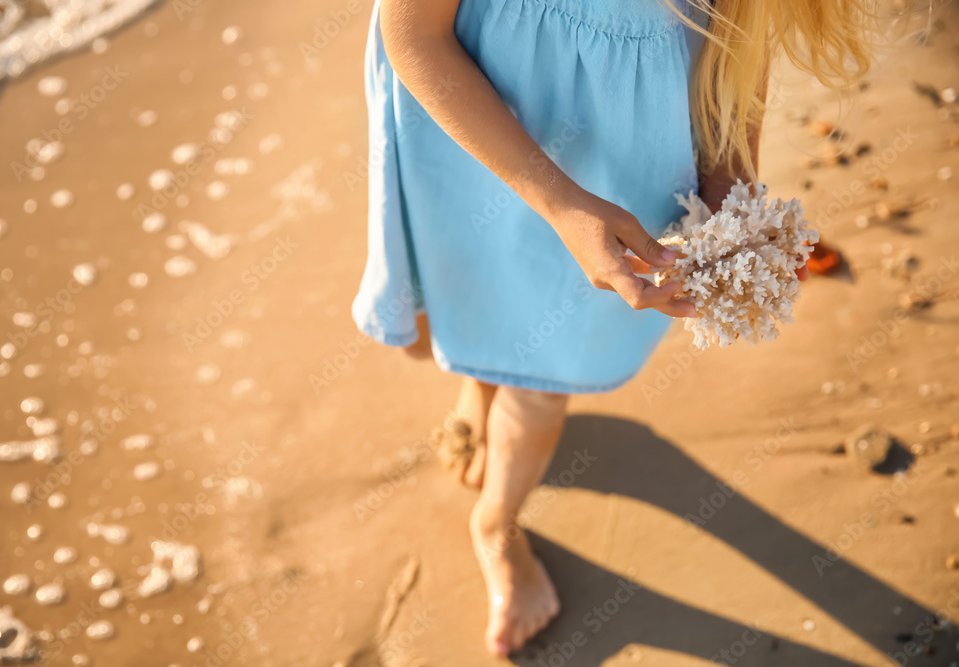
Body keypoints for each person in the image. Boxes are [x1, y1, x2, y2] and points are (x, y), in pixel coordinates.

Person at [352, 0, 873, 655]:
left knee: (542, 375)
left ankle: (496, 521)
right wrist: (561, 204)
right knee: (466, 304)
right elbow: (413, 32)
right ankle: (481, 386)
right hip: (467, 130)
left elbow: (739, 42)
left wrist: (728, 184)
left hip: (618, 162)